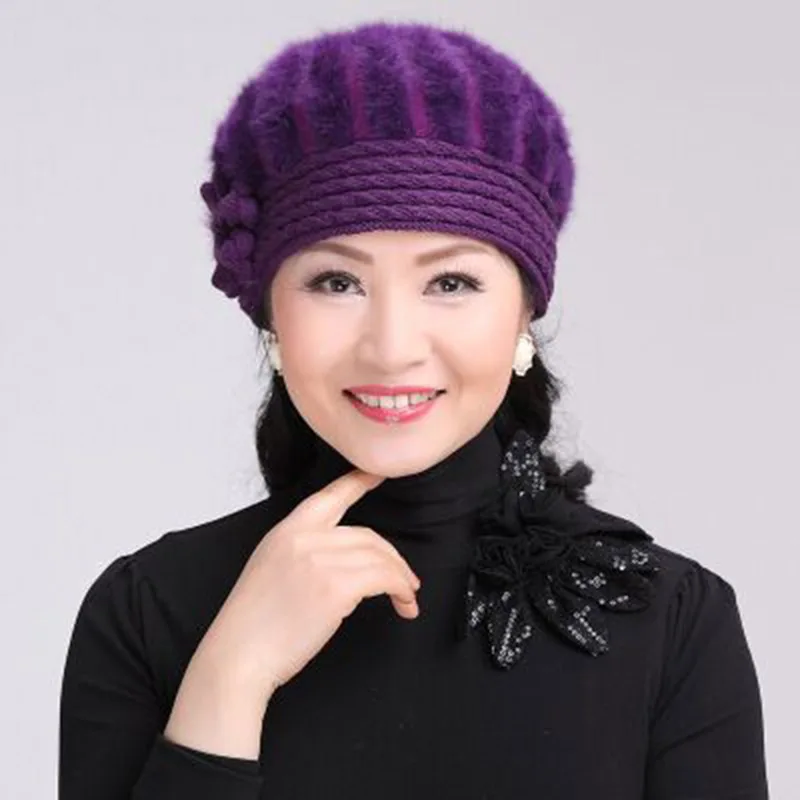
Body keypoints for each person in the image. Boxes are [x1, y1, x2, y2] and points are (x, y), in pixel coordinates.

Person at [58, 20, 769, 799]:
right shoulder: (147, 611)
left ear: (524, 311)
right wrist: (232, 676)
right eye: (337, 282)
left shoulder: (672, 623)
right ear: (270, 317)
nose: (392, 349)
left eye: (450, 282)